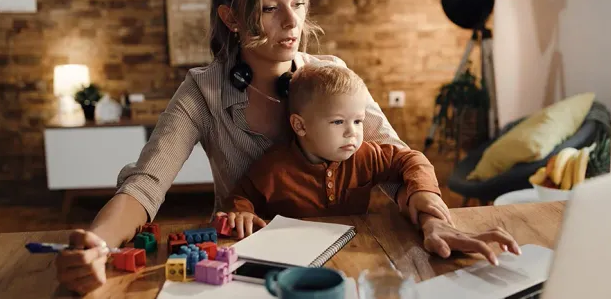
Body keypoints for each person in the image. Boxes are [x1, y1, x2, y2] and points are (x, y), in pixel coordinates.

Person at [55, 0, 519, 295]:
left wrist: (436, 218)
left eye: (298, 4)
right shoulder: (202, 90)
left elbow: (398, 160)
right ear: (231, 18)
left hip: (347, 259)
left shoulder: (331, 75)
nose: (292, 23)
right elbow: (146, 184)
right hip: (243, 267)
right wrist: (98, 244)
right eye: (270, 8)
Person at [219, 63, 520, 265]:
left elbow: (410, 159)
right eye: (338, 122)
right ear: (300, 126)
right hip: (293, 264)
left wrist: (422, 194)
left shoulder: (365, 154)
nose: (353, 132)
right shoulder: (273, 167)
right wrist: (240, 213)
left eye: (359, 121)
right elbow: (240, 198)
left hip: (358, 254)